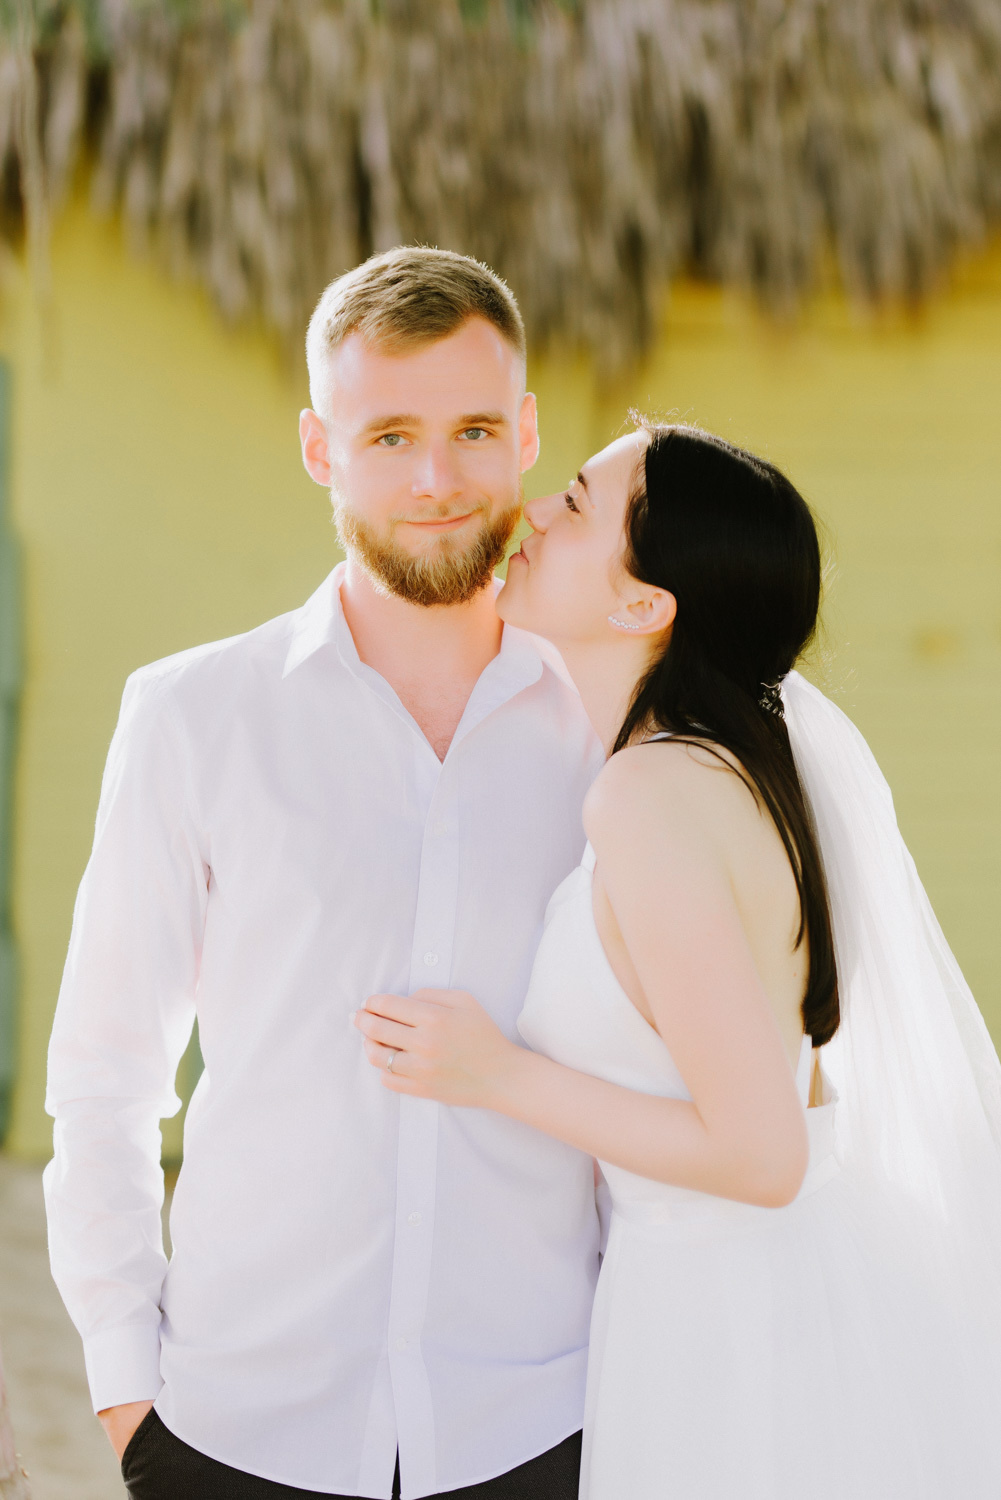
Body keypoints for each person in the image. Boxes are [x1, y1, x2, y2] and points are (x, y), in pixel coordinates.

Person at [43, 248, 606, 1500]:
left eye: (469, 429)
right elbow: (102, 1081)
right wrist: (130, 1394)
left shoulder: (612, 729)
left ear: (523, 432)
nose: (435, 479)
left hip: (543, 1422)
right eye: (389, 434)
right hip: (238, 1431)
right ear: (318, 449)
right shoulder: (193, 716)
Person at [355, 423, 1001, 1498]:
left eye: (572, 505)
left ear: (641, 605)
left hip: (737, 1324)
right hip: (745, 1293)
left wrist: (490, 1074)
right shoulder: (716, 770)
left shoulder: (648, 795)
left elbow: (760, 1155)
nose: (532, 516)